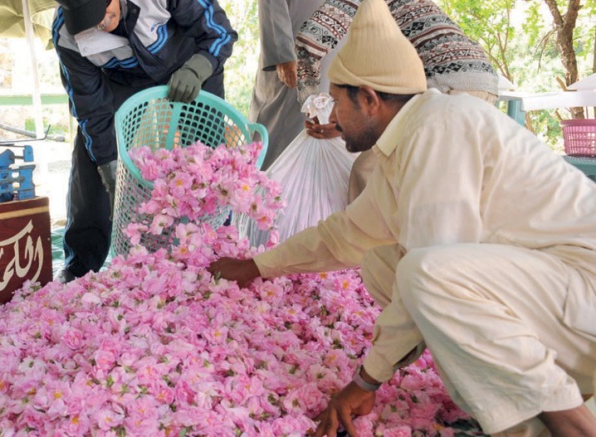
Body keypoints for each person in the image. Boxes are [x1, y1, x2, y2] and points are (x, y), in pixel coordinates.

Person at [208, 0, 596, 435]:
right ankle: (527, 417)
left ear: (370, 99)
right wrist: (256, 267)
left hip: (584, 292)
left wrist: (366, 379)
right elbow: (345, 235)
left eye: (338, 103)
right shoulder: (406, 139)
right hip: (552, 296)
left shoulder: (439, 128)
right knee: (382, 262)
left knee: (423, 271)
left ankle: (574, 425)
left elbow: (435, 264)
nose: (332, 118)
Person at [52, 0, 236, 283]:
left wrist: (199, 68)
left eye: (101, 13)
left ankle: (217, 251)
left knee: (206, 161)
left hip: (187, 67)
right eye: (85, 19)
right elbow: (90, 108)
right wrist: (109, 168)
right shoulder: (66, 34)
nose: (99, 23)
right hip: (120, 78)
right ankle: (79, 265)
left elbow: (219, 32)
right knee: (91, 159)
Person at [294, 0, 500, 203]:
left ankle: (366, 234)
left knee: (368, 169)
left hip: (446, 84)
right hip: (484, 81)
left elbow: (310, 40)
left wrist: (311, 102)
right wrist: (342, 123)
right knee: (438, 178)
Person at [250, 0, 326, 170]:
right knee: (281, 130)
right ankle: (261, 192)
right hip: (295, 47)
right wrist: (282, 53)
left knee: (324, 124)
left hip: (341, 46)